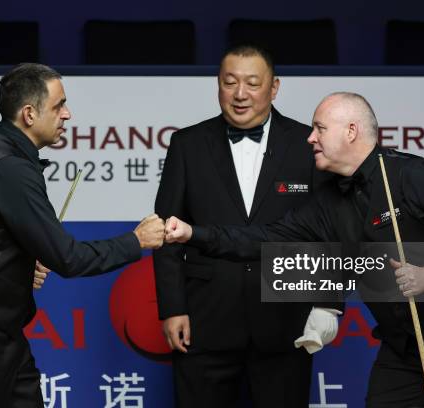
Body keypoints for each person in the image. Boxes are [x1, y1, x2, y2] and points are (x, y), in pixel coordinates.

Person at [165, 92, 424, 408]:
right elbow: (264, 239)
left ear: (350, 131)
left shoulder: (413, 175)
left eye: (319, 128)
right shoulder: (327, 204)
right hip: (404, 346)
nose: (310, 137)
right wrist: (193, 233)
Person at [0, 63, 165, 408]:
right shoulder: (10, 167)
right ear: (29, 114)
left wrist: (15, 261)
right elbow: (68, 258)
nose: (68, 114)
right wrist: (136, 240)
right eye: (59, 105)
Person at [153, 45, 341, 408]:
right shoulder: (187, 144)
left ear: (274, 88)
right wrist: (172, 308)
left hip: (286, 321)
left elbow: (329, 233)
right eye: (230, 82)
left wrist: (327, 305)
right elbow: (167, 232)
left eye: (253, 83)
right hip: (204, 322)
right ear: (218, 86)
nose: (240, 94)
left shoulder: (308, 146)